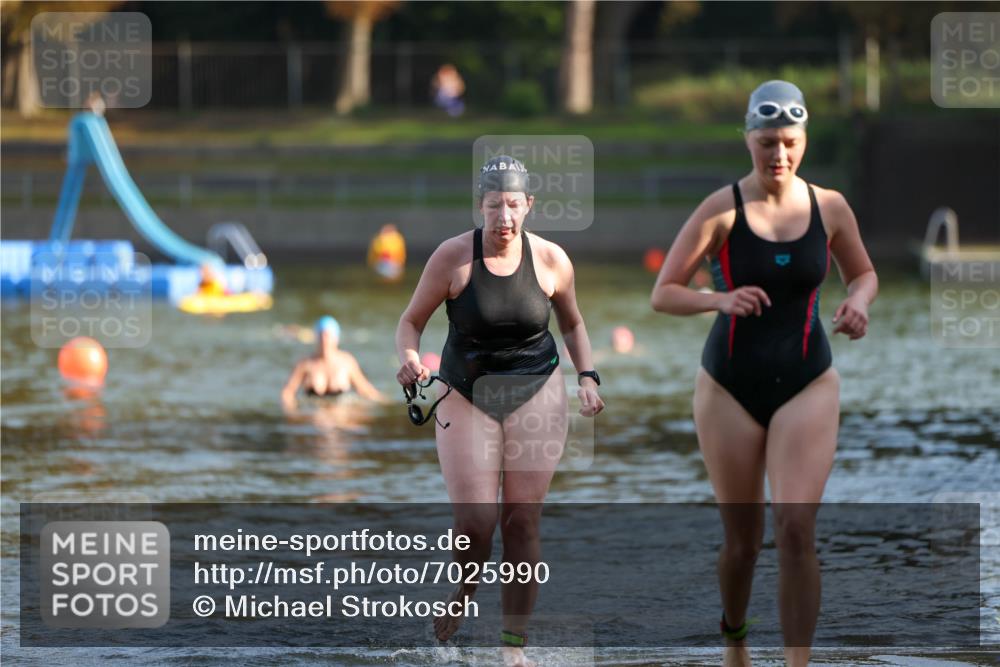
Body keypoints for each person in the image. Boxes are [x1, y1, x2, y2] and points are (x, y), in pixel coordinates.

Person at [650, 80, 878, 667]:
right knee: (744, 543)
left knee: (797, 528)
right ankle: (735, 639)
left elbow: (863, 274)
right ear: (749, 139)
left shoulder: (830, 207)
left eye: (790, 143)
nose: (779, 154)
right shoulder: (721, 209)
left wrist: (859, 302)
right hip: (728, 386)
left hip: (808, 378)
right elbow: (664, 293)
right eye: (768, 142)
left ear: (804, 141)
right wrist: (717, 301)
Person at [395, 155, 604, 667]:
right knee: (476, 523)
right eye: (494, 206)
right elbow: (410, 322)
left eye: (514, 205)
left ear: (529, 205)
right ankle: (462, 597)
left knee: (521, 521)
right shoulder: (451, 258)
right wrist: (406, 359)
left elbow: (573, 324)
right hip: (465, 392)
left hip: (537, 390)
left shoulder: (553, 260)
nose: (504, 217)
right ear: (479, 207)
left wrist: (587, 376)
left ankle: (514, 648)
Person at [281, 316, 386, 411]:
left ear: (336, 338)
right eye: (321, 335)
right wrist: (292, 411)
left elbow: (366, 390)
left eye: (328, 335)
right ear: (316, 338)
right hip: (314, 416)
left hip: (340, 416)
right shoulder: (305, 364)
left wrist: (386, 405)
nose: (324, 340)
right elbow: (288, 392)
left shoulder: (347, 362)